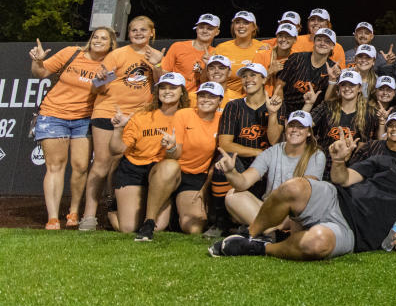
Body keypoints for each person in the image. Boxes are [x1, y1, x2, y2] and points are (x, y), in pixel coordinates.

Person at [208, 128, 396, 260]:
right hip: (336, 198)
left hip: (353, 233)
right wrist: (339, 161)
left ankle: (258, 248)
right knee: (293, 186)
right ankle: (251, 234)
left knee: (317, 243)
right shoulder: (383, 162)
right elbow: (343, 178)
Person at [82, 15, 165, 231]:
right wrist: (100, 79)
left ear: (151, 33)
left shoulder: (156, 56)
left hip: (138, 117)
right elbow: (96, 88)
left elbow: (162, 86)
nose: (138, 34)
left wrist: (158, 64)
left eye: (142, 30)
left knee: (121, 162)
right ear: (128, 34)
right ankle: (89, 215)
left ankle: (113, 206)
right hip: (108, 111)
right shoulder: (117, 54)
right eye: (134, 30)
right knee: (101, 162)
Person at [29, 28, 116, 229]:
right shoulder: (71, 53)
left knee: (80, 167)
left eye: (104, 38)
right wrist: (38, 60)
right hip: (53, 115)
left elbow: (102, 92)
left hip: (84, 119)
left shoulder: (111, 65)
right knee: (55, 165)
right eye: (95, 37)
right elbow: (40, 73)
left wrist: (103, 79)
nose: (98, 40)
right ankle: (52, 217)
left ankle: (74, 211)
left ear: (111, 44)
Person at [134, 79, 224, 240]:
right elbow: (174, 155)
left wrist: (205, 186)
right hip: (171, 171)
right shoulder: (184, 114)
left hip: (195, 177)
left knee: (194, 228)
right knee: (171, 167)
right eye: (202, 96)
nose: (205, 100)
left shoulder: (223, 120)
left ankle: (174, 213)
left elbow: (218, 158)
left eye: (211, 97)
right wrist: (171, 147)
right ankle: (149, 222)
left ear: (220, 100)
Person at [108, 72, 190, 233]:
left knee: (159, 227)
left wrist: (171, 147)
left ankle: (152, 215)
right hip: (134, 168)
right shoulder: (142, 116)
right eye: (163, 88)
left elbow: (176, 155)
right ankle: (112, 210)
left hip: (161, 170)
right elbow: (116, 150)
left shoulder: (188, 116)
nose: (167, 91)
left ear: (182, 92)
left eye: (173, 88)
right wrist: (118, 130)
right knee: (128, 228)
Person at [207, 62, 282, 237]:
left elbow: (275, 140)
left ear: (264, 79)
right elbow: (225, 145)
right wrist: (258, 153)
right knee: (223, 162)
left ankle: (252, 224)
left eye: (253, 75)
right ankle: (220, 222)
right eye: (245, 76)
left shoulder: (277, 104)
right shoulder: (233, 106)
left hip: (270, 165)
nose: (248, 79)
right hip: (243, 161)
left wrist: (272, 114)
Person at [216, 110, 325, 228]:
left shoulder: (316, 155)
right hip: (269, 210)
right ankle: (270, 233)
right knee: (233, 195)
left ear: (308, 132)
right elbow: (243, 183)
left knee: (305, 212)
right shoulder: (272, 151)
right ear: (286, 127)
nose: (294, 130)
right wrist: (230, 172)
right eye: (292, 126)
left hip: (293, 214)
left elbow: (305, 194)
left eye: (301, 127)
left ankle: (264, 232)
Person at [307, 70, 378, 155]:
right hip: (322, 159)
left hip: (349, 164)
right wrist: (308, 104)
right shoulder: (327, 106)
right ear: (339, 87)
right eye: (343, 85)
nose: (347, 88)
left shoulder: (368, 113)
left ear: (359, 88)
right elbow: (303, 125)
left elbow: (363, 146)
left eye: (352, 85)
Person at [274, 27, 338, 116]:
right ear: (314, 42)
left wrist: (332, 80)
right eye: (319, 40)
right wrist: (280, 113)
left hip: (312, 114)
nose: (322, 43)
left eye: (327, 41)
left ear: (332, 46)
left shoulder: (334, 68)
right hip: (287, 108)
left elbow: (328, 101)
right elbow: (279, 85)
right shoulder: (296, 58)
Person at [161, 13, 219, 91]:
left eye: (210, 28)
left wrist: (207, 66)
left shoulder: (216, 53)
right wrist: (156, 65)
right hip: (178, 97)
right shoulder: (178, 47)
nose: (205, 31)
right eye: (201, 27)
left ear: (217, 32)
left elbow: (208, 83)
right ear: (197, 29)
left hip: (201, 97)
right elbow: (164, 75)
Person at [213, 11, 264, 93]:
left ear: (254, 27)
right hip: (227, 97)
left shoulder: (263, 48)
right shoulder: (222, 48)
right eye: (237, 22)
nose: (241, 26)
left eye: (246, 23)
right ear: (233, 26)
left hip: (253, 97)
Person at [252, 23, 297, 96]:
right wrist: (269, 72)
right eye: (280, 36)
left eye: (288, 36)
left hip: (289, 99)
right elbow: (252, 83)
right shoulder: (261, 55)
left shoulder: (298, 58)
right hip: (263, 98)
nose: (283, 39)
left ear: (294, 39)